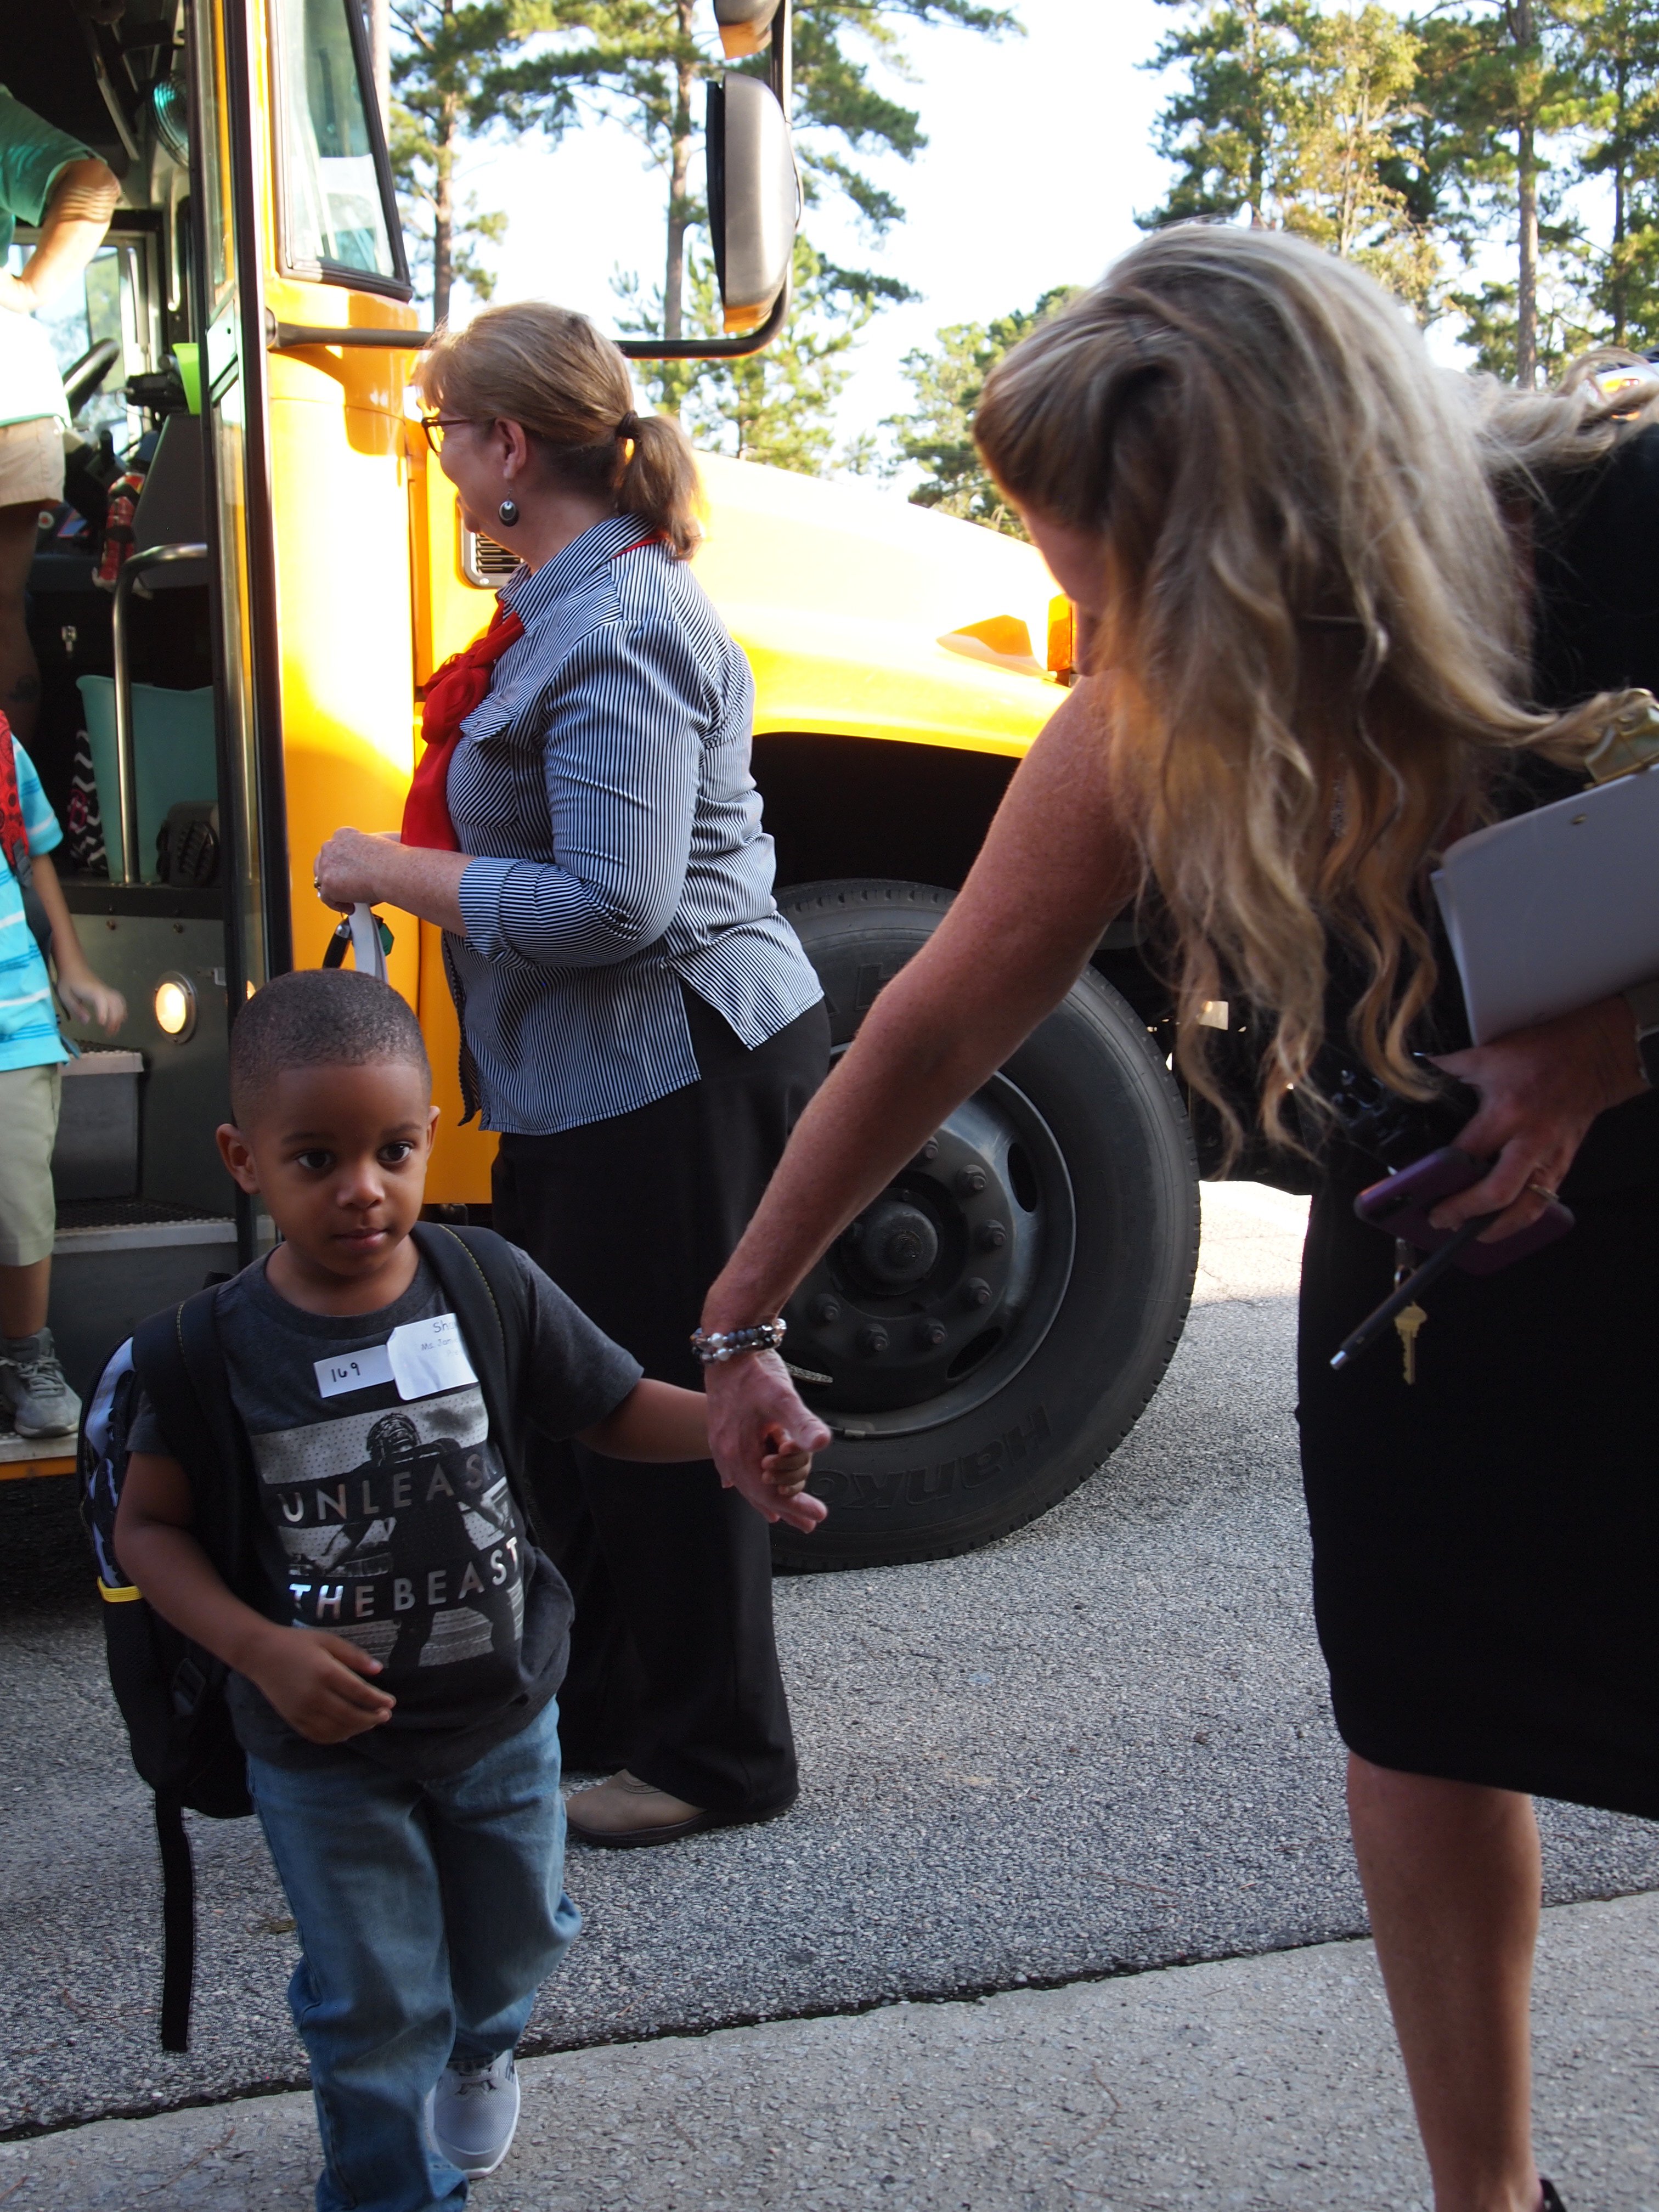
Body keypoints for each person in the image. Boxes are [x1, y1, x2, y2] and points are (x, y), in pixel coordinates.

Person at [695, 224, 1659, 2212]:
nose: (1075, 635)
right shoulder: (1150, 712)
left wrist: (1600, 1049)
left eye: (1101, 571)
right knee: (1419, 1715)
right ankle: (1486, 2195)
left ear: (1274, 539)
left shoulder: (1614, 528)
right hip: (1434, 1237)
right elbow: (932, 1019)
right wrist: (738, 1314)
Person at [112, 968, 816, 2212]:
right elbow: (150, 1531)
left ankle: (484, 2043)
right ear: (241, 1159)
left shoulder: (485, 1280)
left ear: (431, 1135)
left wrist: (730, 1443)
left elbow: (606, 1408)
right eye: (316, 1157)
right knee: (372, 1997)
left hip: (499, 1720)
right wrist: (260, 1650)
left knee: (511, 1944)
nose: (362, 1189)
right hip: (320, 1747)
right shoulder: (205, 1352)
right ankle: (388, 2186)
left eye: (390, 1149)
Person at [313, 301, 830, 1849]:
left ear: (508, 448)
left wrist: (396, 872)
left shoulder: (620, 630)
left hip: (669, 1067)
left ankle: (718, 1760)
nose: (442, 457)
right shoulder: (567, 606)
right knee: (571, 1417)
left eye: (443, 431)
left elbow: (622, 906)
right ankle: (605, 1722)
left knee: (659, 1418)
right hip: (592, 1078)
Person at [0, 704, 124, 1432]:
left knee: (19, 1206)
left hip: (12, 1020)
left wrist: (71, 967)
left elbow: (31, 852)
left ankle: (25, 1356)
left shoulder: (2, 745)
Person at [0, 86, 120, 742]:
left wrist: (30, 289)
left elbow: (93, 183)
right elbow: (92, 184)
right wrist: (27, 292)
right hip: (12, 400)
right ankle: (9, 826)